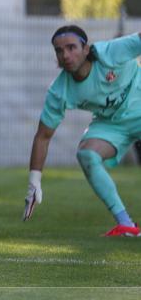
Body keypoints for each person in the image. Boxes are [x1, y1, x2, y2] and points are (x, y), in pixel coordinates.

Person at [23, 26, 141, 237]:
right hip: (111, 124)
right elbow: (43, 136)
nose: (65, 55)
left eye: (71, 47)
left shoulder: (110, 52)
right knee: (86, 154)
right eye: (59, 51)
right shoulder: (59, 91)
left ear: (86, 49)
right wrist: (34, 181)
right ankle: (126, 225)